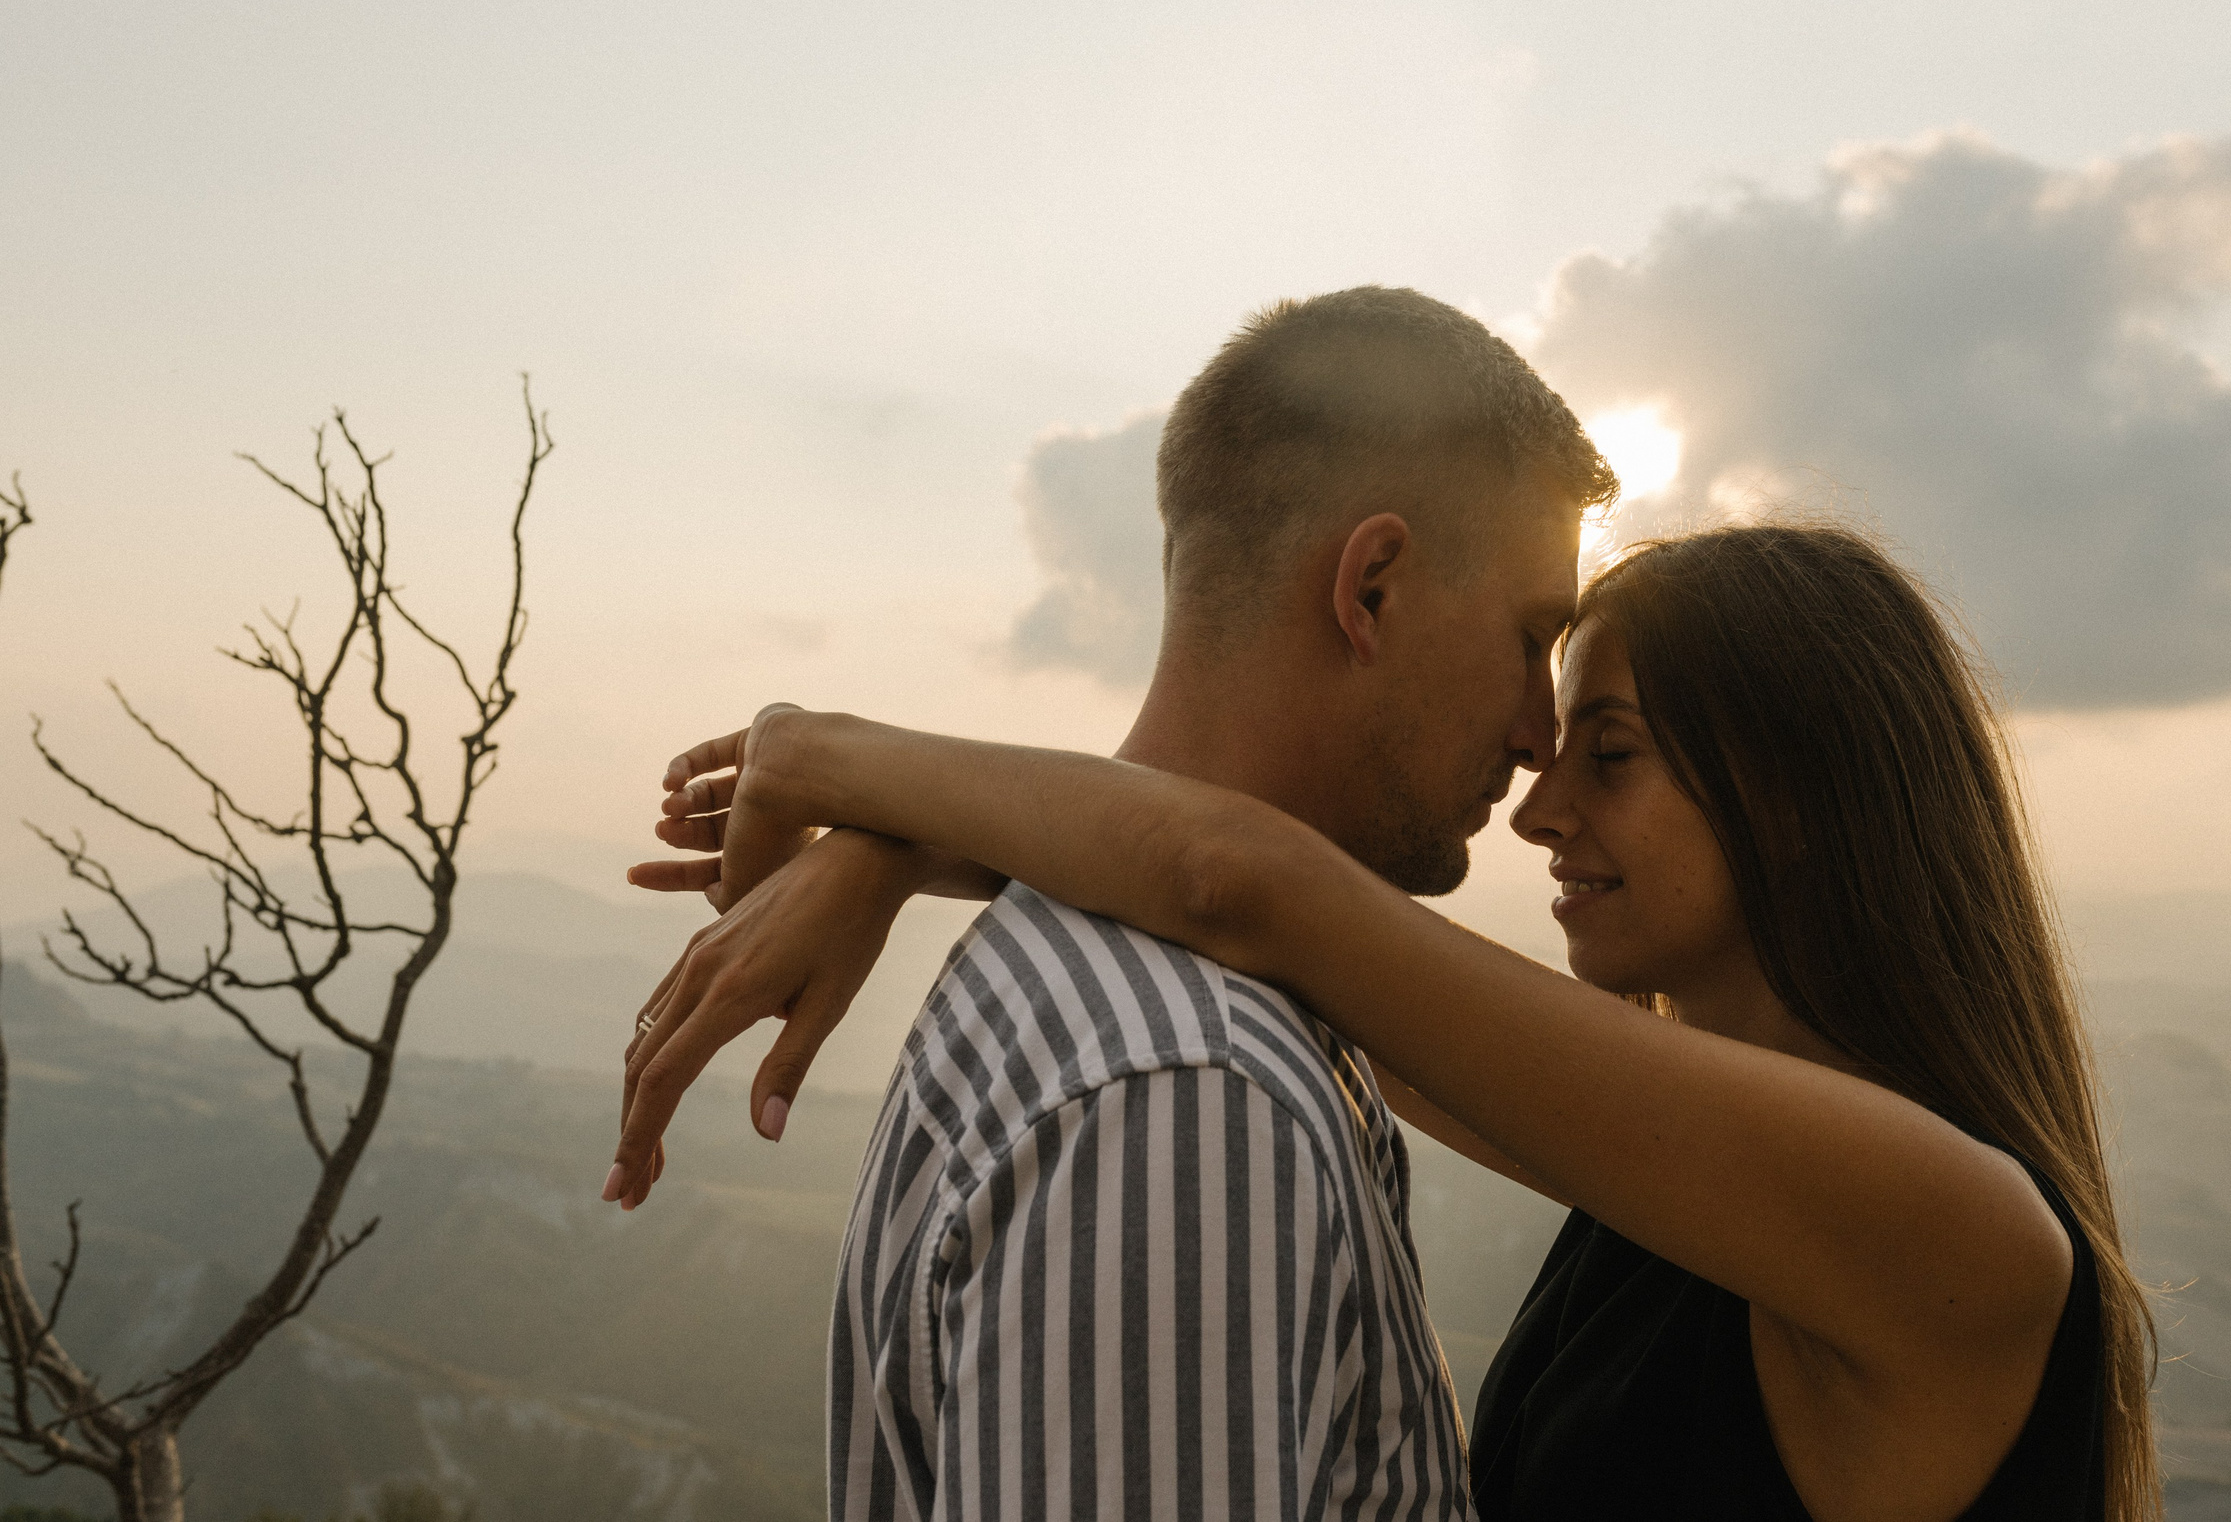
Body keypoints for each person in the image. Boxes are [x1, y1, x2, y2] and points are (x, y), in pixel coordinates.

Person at [615, 520, 2164, 1520]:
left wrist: (828, 760)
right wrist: (900, 857)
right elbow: (1285, 941)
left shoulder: (1950, 1230)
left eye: (1607, 752)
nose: (1539, 807)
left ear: (1801, 792)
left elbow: (1248, 883)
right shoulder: (1696, 1161)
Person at [613, 286, 1619, 1520]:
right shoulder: (1193, 1093)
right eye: (1531, 639)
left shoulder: (1144, 993)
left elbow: (1227, 881)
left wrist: (891, 819)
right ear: (1372, 590)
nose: (1537, 737)